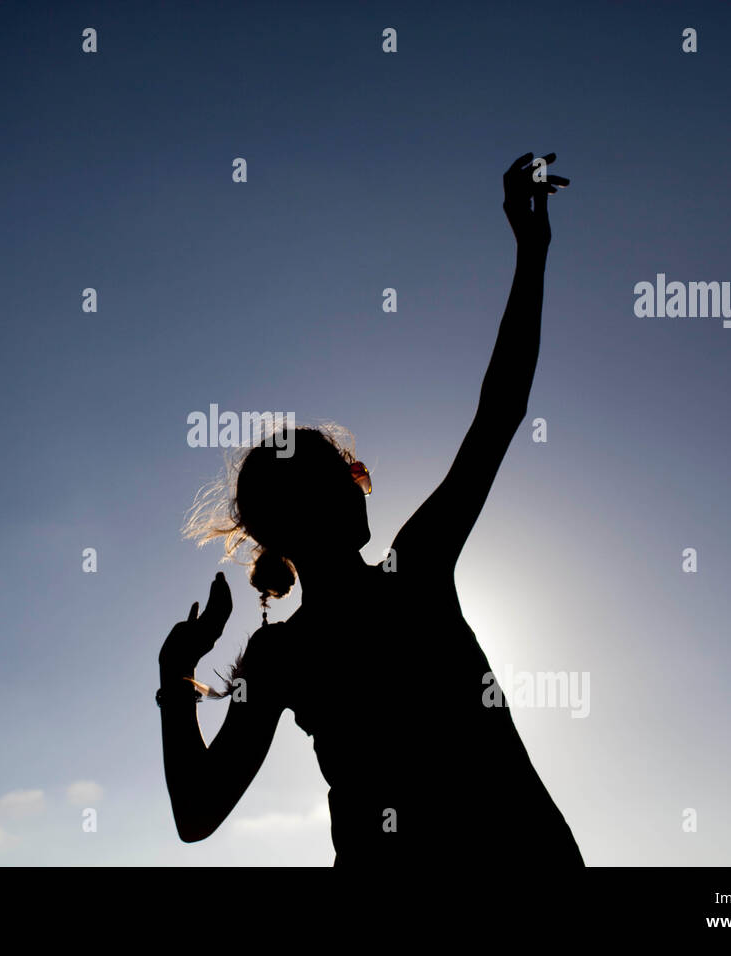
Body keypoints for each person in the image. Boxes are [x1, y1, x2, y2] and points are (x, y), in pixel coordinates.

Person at [158, 153, 583, 867]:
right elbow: (501, 411)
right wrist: (532, 251)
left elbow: (198, 814)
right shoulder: (408, 573)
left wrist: (177, 682)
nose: (360, 484)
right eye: (342, 475)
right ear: (303, 512)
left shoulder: (284, 653)